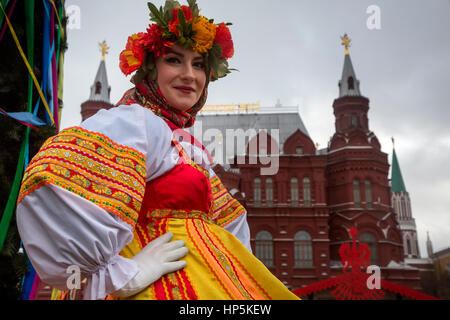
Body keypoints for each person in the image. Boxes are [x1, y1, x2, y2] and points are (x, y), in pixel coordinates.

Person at [16, 0, 300, 300]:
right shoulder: (135, 122)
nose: (190, 74)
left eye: (199, 64)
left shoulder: (184, 146)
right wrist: (122, 275)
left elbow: (231, 228)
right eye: (174, 60)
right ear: (150, 70)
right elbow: (54, 178)